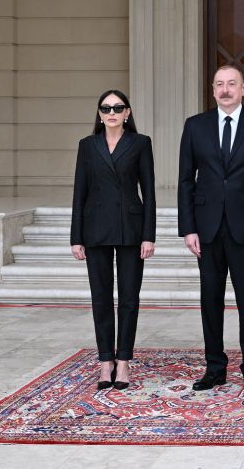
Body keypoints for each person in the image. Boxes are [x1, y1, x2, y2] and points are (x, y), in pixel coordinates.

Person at [178, 65, 244, 393]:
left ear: (243, 89)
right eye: (219, 84)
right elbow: (185, 180)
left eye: (231, 84)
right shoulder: (195, 127)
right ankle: (215, 367)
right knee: (210, 299)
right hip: (207, 229)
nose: (225, 90)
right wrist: (188, 228)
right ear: (213, 90)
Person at [70, 89, 156, 391]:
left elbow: (149, 192)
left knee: (129, 299)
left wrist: (149, 235)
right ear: (99, 113)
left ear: (127, 113)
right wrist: (75, 237)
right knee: (101, 298)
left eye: (118, 108)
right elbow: (79, 191)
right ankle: (105, 360)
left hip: (131, 228)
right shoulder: (87, 146)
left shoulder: (140, 143)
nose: (111, 113)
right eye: (106, 108)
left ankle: (124, 361)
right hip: (95, 229)